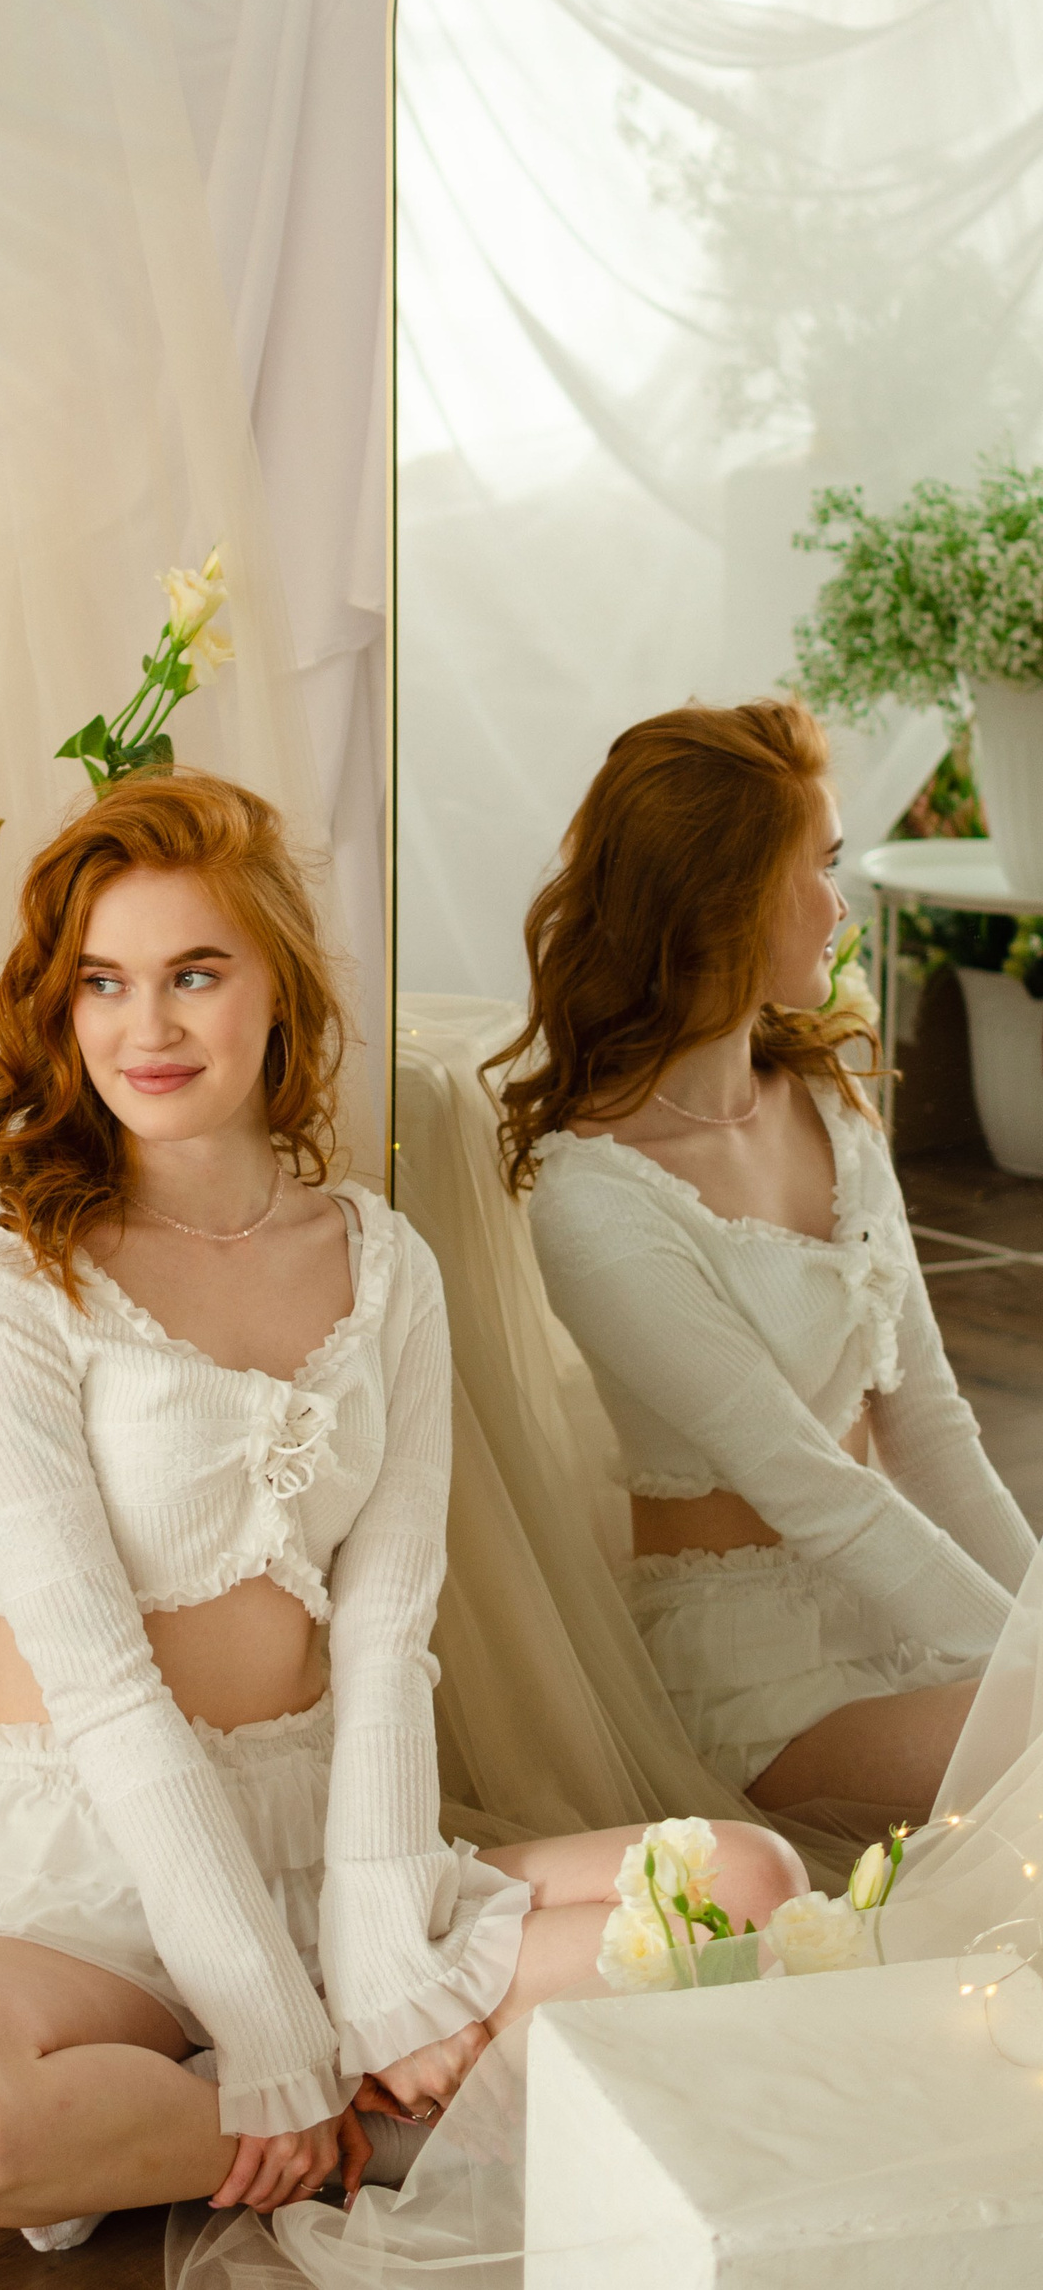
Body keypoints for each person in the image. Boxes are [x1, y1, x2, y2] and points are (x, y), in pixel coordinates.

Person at [0, 769, 799, 2244]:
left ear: (275, 983)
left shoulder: (383, 1261)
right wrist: (269, 2022)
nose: (146, 1028)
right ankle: (356, 2122)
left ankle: (285, 2104)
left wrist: (380, 1940)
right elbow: (99, 1678)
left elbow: (389, 1632)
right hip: (90, 1852)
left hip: (333, 1830)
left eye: (193, 973)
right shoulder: (3, 1268)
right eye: (103, 982)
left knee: (751, 1883)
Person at [497, 699, 1036, 1829]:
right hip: (751, 1683)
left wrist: (1029, 1634)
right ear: (725, 897)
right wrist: (1021, 1672)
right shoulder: (597, 1200)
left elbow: (931, 1429)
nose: (841, 907)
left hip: (899, 1617)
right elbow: (812, 1490)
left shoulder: (829, 1103)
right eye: (822, 869)